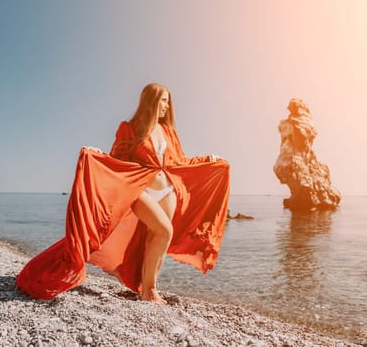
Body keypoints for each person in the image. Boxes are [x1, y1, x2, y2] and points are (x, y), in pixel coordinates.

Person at [16, 83, 230, 305]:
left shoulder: (169, 131)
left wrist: (208, 160)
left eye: (168, 101)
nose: (167, 106)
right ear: (150, 100)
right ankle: (150, 291)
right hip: (140, 189)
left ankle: (147, 287)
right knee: (164, 231)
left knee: (155, 239)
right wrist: (98, 156)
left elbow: (180, 161)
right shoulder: (129, 127)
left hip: (169, 189)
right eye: (163, 100)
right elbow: (118, 158)